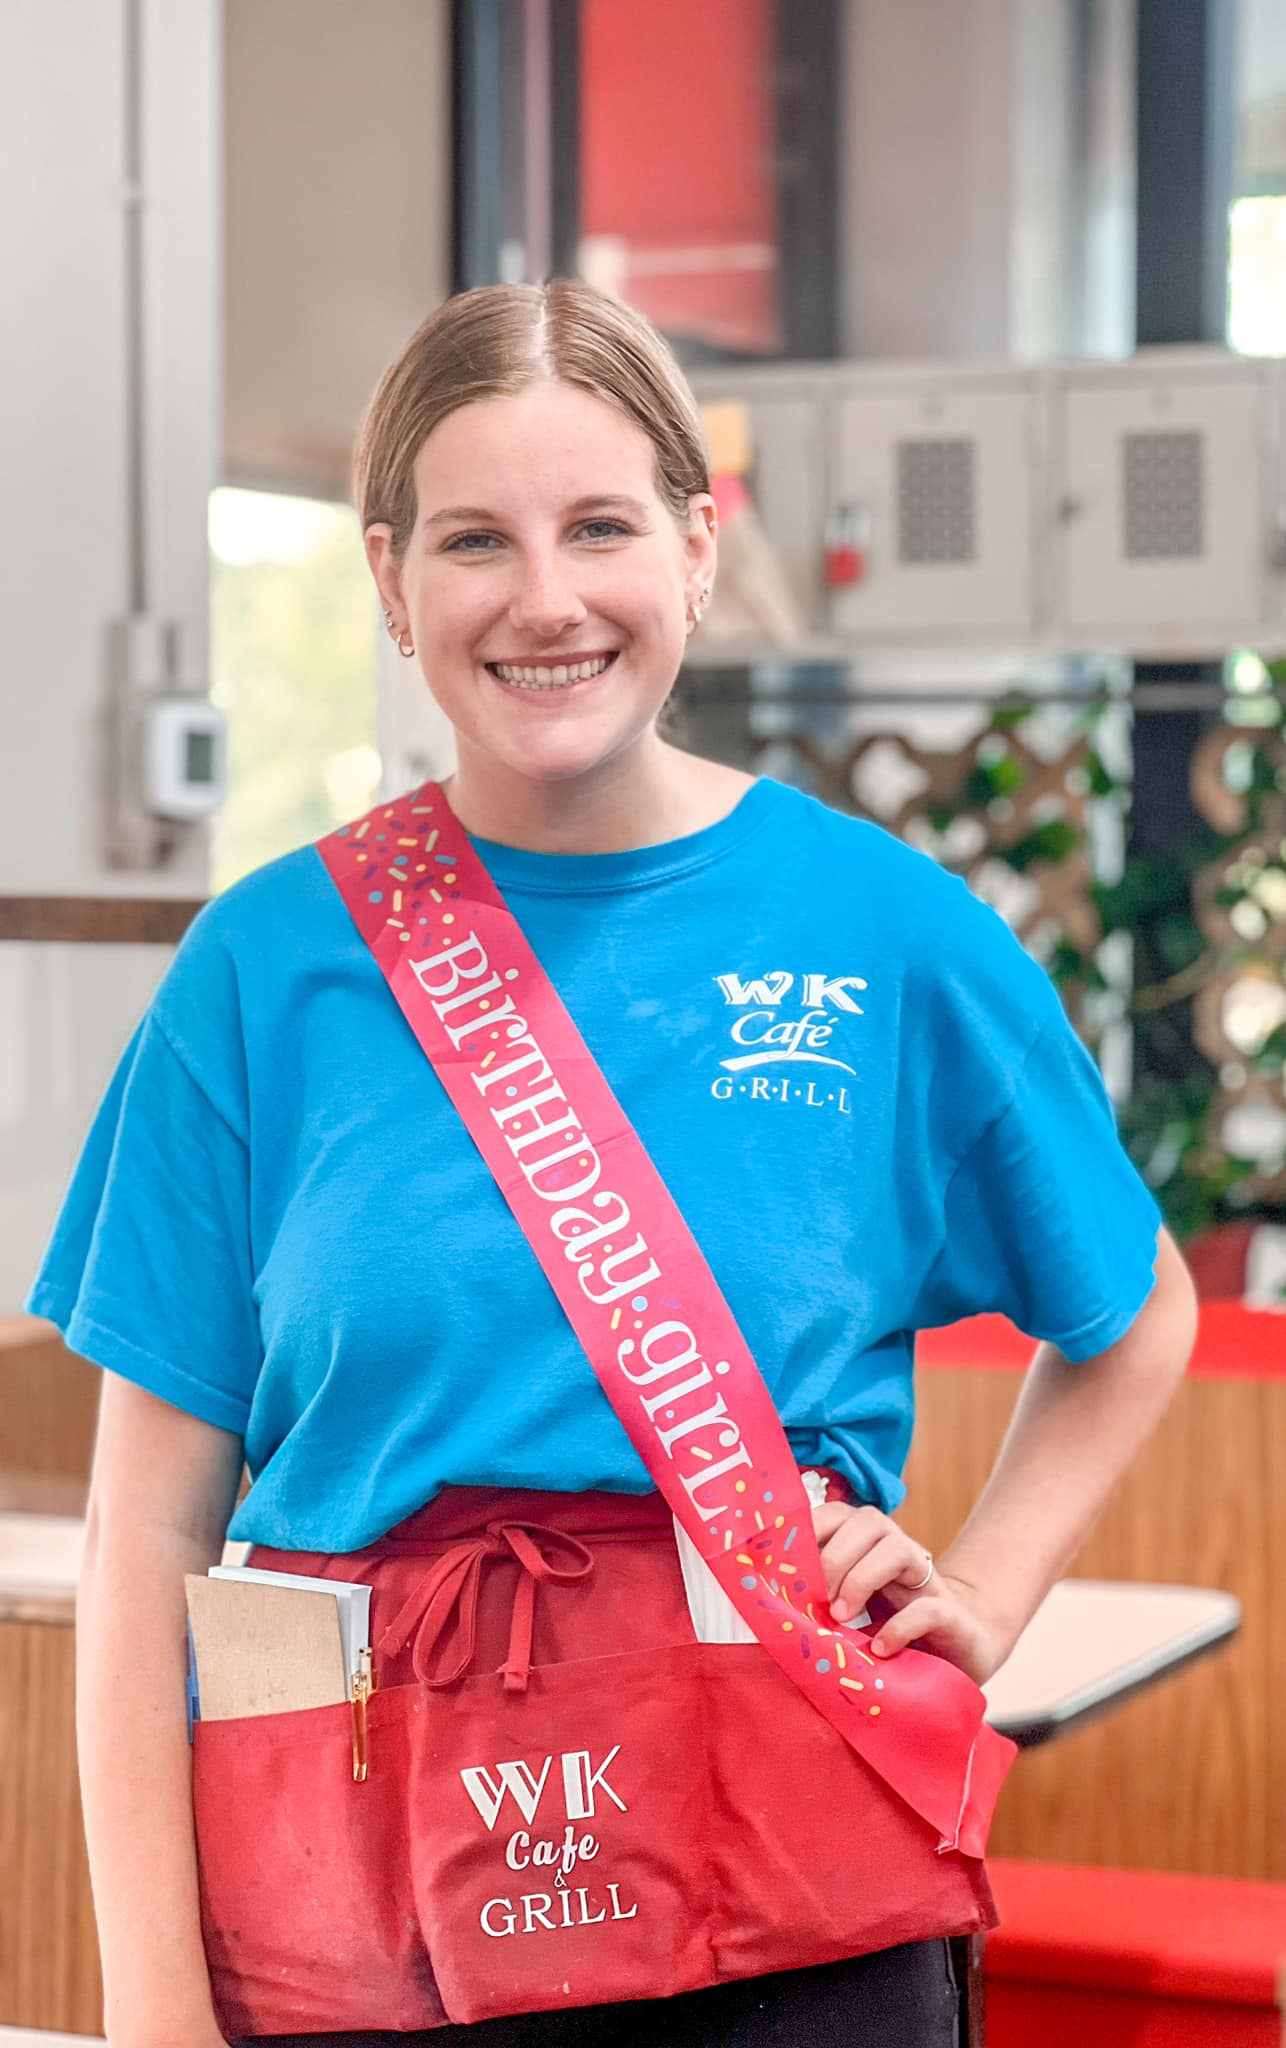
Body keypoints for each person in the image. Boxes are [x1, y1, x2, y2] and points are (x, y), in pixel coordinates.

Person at [27, 280, 1197, 2048]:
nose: (544, 599)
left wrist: (983, 1591)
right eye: (474, 540)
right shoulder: (264, 972)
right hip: (362, 1903)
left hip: (789, 1900)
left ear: (696, 550)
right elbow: (145, 1531)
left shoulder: (882, 930)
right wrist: (154, 2007)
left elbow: (1132, 1307)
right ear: (389, 580)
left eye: (599, 526)